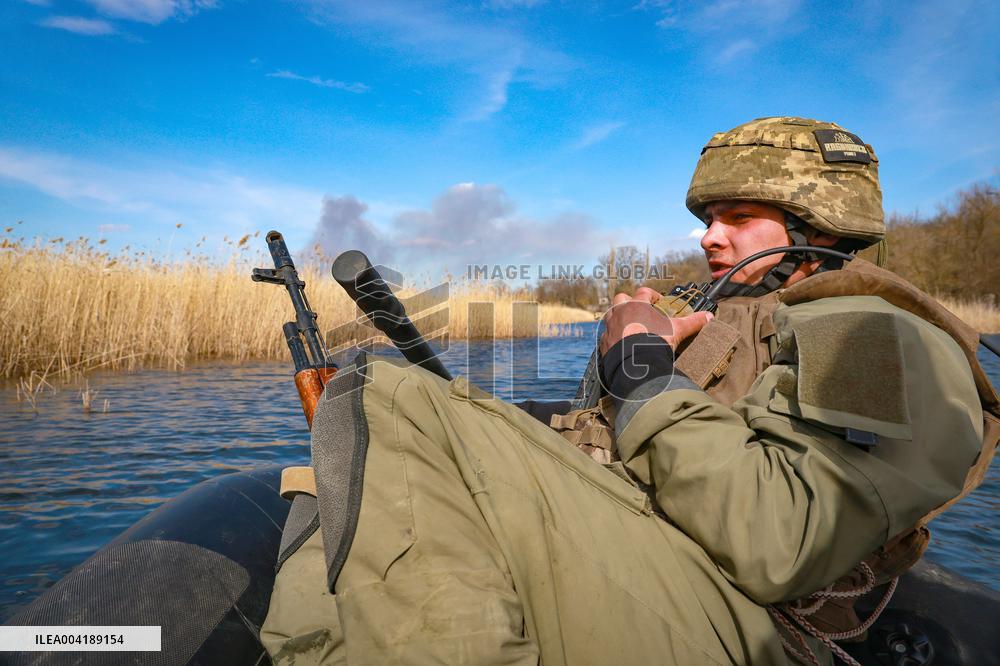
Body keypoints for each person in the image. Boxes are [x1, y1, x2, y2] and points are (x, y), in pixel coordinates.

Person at [260, 117, 997, 665]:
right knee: (344, 457)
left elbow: (784, 542)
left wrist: (639, 367)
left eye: (740, 219)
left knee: (384, 394)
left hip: (750, 628)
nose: (709, 238)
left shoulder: (870, 337)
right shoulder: (727, 318)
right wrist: (510, 415)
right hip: (666, 568)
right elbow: (618, 443)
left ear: (821, 229)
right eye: (708, 220)